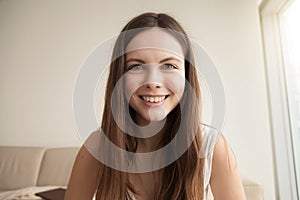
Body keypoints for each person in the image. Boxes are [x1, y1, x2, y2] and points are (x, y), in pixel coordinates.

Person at [65, 12, 246, 200]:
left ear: (186, 75)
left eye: (169, 66)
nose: (152, 82)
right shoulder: (97, 148)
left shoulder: (211, 147)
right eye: (136, 66)